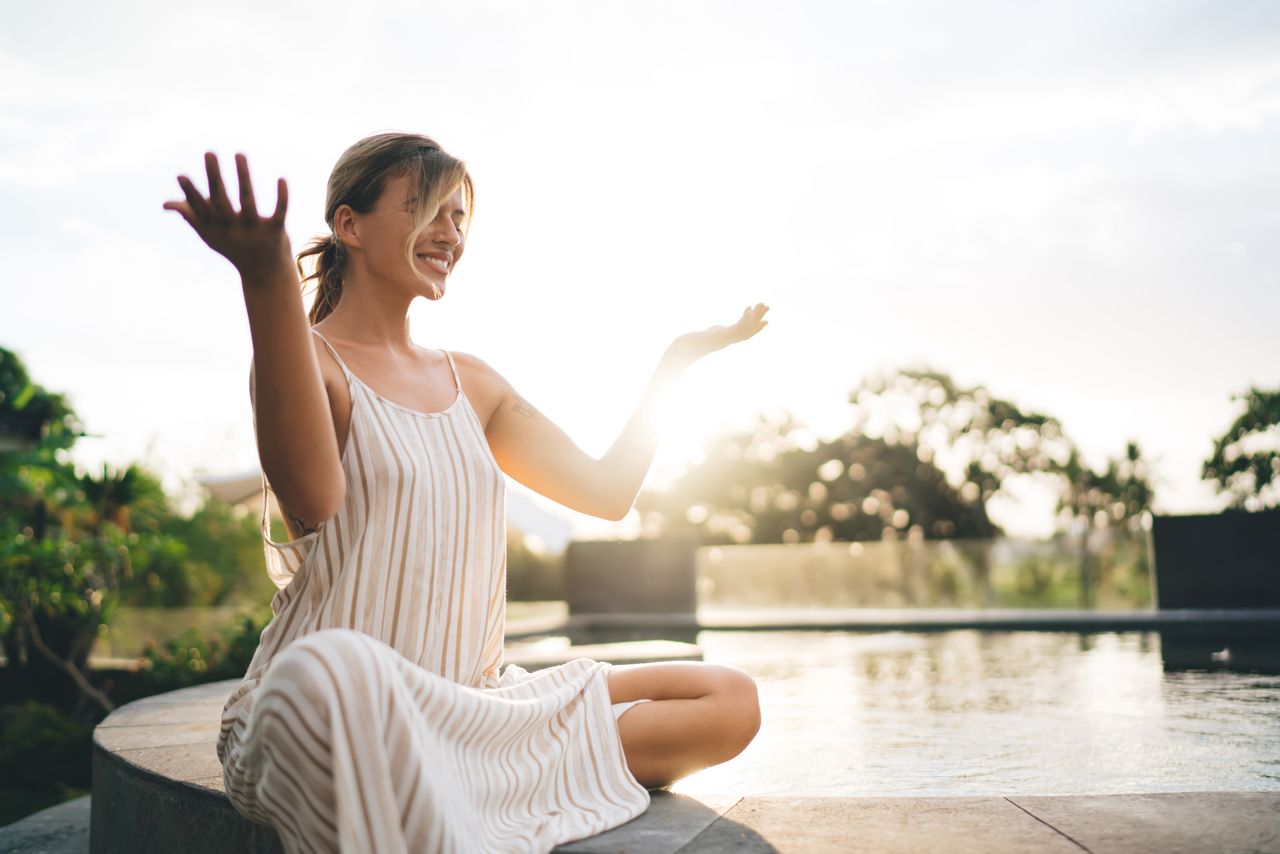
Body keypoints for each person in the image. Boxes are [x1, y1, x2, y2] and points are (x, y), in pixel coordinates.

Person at [163, 132, 768, 853]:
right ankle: (459, 788)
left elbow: (608, 493)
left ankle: (463, 783)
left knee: (728, 698)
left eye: (459, 215)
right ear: (349, 227)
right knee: (335, 667)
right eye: (426, 207)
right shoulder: (309, 363)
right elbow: (316, 501)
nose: (449, 230)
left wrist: (676, 363)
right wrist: (264, 281)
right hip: (327, 707)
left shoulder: (472, 383)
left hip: (477, 714)